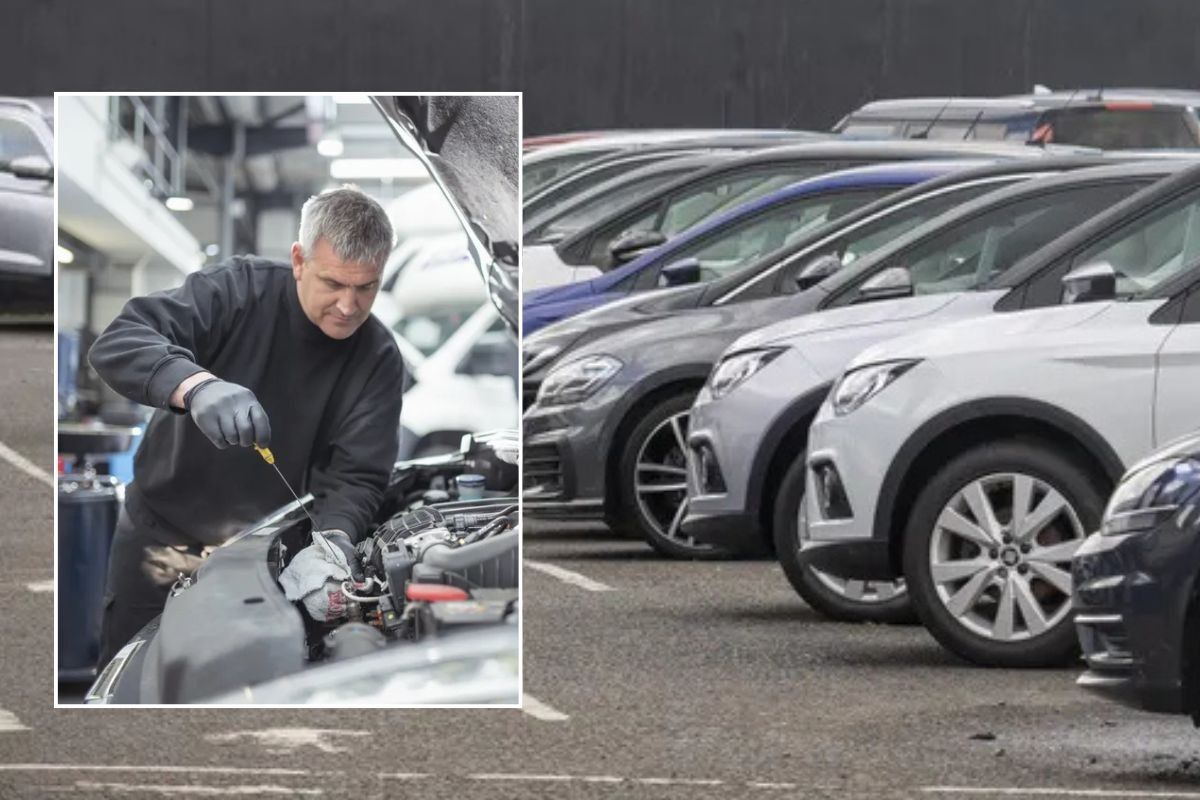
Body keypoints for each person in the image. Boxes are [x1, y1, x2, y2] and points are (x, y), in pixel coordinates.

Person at [89, 186, 405, 668]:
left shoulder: (377, 358)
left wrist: (335, 541)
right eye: (333, 283)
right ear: (299, 260)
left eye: (366, 287)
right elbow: (120, 340)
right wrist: (193, 386)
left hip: (268, 563)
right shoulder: (236, 291)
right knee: (134, 678)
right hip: (162, 541)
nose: (348, 305)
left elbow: (357, 476)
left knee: (240, 684)